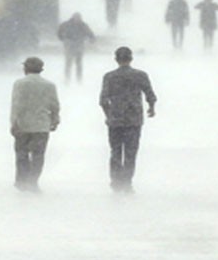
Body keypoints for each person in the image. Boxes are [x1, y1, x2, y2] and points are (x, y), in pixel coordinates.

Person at [98, 46, 156, 194]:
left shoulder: (109, 77)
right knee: (131, 152)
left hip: (115, 119)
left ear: (116, 59)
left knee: (115, 151)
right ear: (131, 59)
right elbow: (150, 94)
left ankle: (116, 182)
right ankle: (127, 182)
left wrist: (108, 115)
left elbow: (103, 100)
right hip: (134, 119)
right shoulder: (140, 75)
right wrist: (151, 107)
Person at [10, 56, 60, 193]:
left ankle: (21, 181)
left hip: (23, 124)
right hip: (41, 125)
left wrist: (14, 123)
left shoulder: (19, 84)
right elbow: (54, 105)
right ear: (41, 69)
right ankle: (33, 181)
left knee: (22, 153)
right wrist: (55, 120)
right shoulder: (49, 85)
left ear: (25, 68)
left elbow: (16, 105)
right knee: (38, 155)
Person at [56, 12, 97, 83]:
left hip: (79, 46)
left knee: (79, 64)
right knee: (68, 63)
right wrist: (62, 39)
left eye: (79, 18)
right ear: (73, 18)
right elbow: (59, 32)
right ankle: (67, 79)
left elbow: (90, 33)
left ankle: (79, 80)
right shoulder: (66, 25)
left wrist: (92, 39)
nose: (78, 20)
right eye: (77, 18)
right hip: (69, 46)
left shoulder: (83, 25)